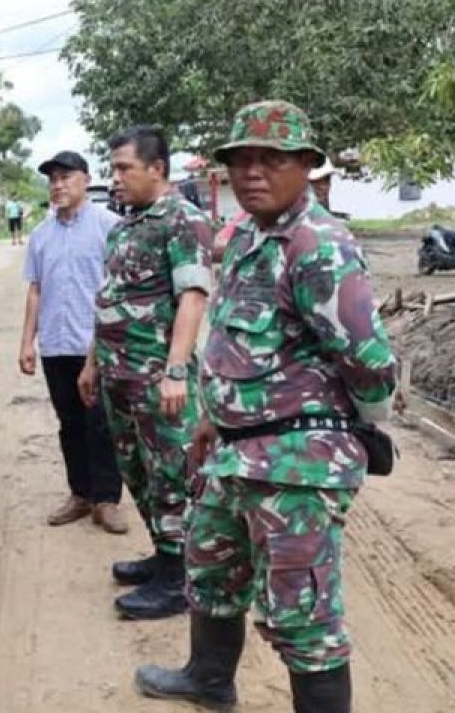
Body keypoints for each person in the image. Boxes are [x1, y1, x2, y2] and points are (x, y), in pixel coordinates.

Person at [135, 100, 398, 713]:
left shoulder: (319, 246)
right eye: (240, 160)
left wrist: (350, 430)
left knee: (303, 617)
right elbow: (233, 342)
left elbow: (371, 363)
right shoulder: (251, 235)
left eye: (271, 159)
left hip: (295, 467)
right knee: (212, 569)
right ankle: (208, 680)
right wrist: (213, 417)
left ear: (306, 165)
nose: (252, 172)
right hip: (234, 452)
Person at [78, 125, 214, 620]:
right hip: (118, 378)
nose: (115, 178)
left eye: (123, 168)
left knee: (172, 475)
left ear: (157, 169)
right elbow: (109, 300)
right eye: (112, 168)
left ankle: (180, 578)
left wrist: (176, 370)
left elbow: (192, 298)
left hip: (158, 380)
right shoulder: (125, 226)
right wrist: (93, 363)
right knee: (137, 471)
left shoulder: (183, 221)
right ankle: (163, 554)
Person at [20, 151, 127, 535]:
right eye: (53, 179)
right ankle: (80, 494)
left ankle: (107, 500)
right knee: (69, 424)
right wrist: (27, 342)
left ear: (85, 179)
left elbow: (117, 293)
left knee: (100, 423)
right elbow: (35, 290)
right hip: (55, 344)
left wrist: (102, 347)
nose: (58, 185)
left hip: (94, 346)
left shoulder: (110, 227)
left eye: (66, 177)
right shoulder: (40, 235)